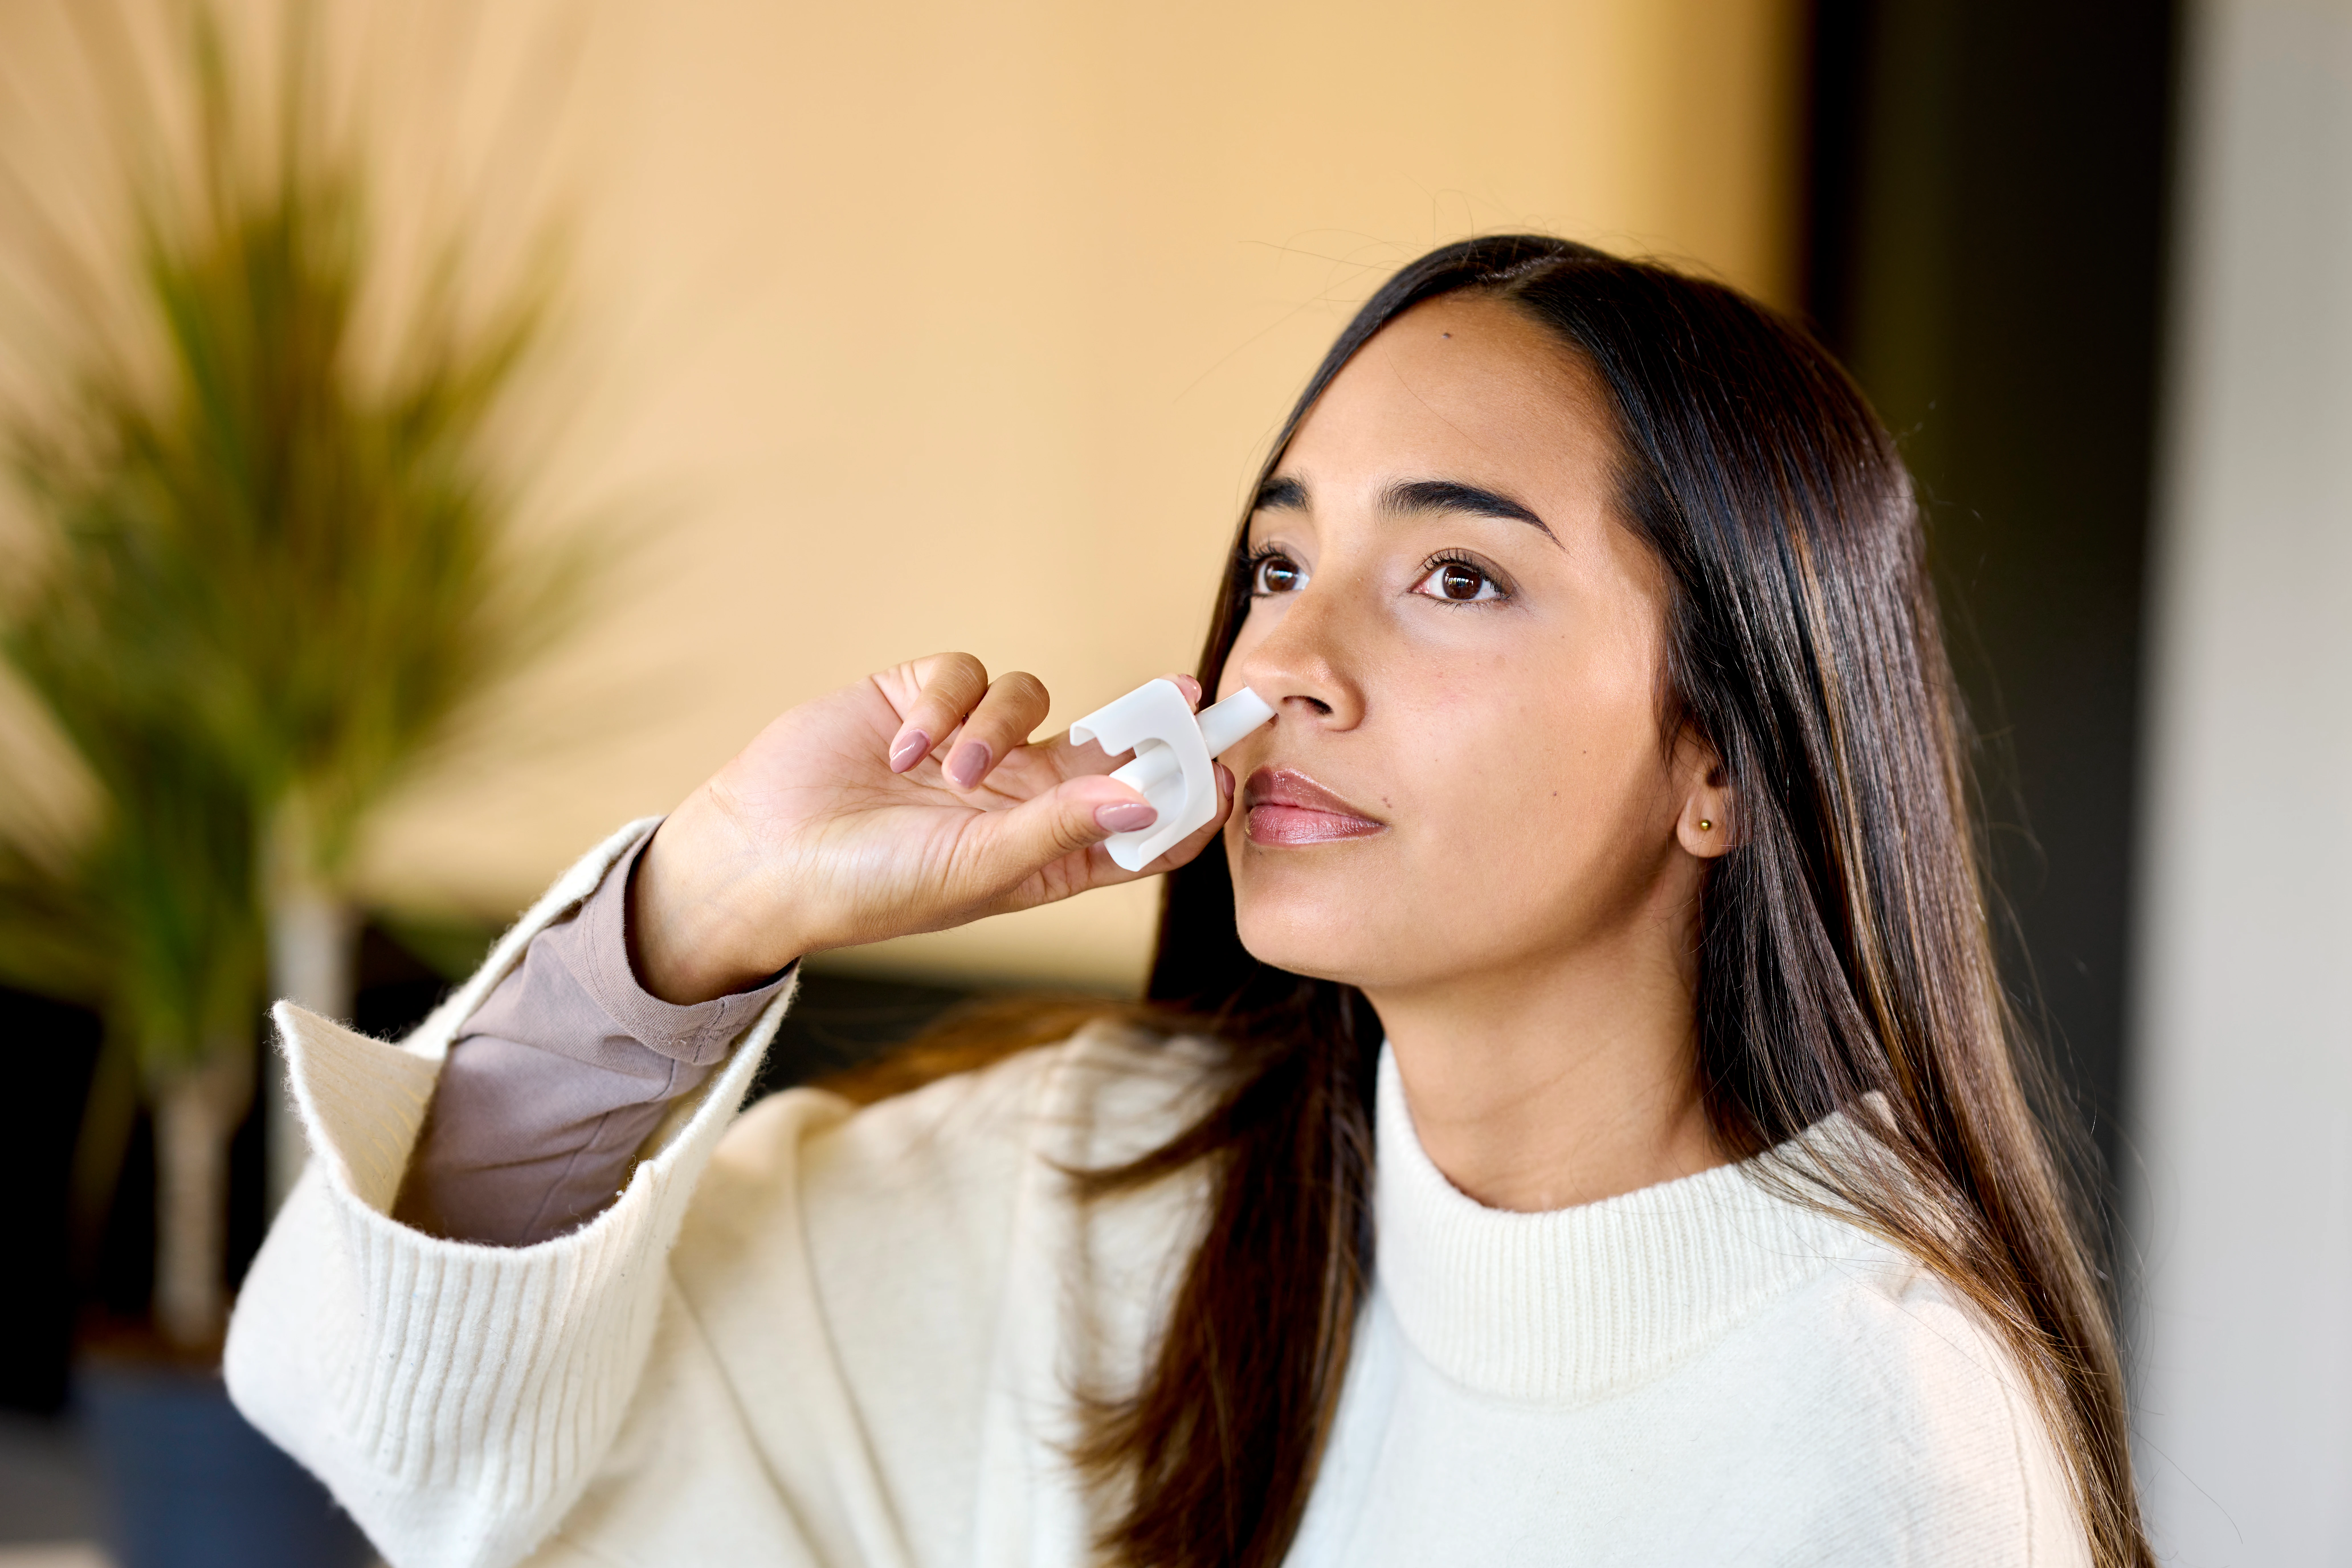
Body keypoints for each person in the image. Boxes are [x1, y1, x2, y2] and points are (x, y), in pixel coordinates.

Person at [226, 236, 2150, 1568]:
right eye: (1276, 559)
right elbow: (410, 1435)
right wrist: (708, 901)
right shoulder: (1107, 1192)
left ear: (1725, 758)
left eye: (1457, 577)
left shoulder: (1889, 1442)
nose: (1285, 657)